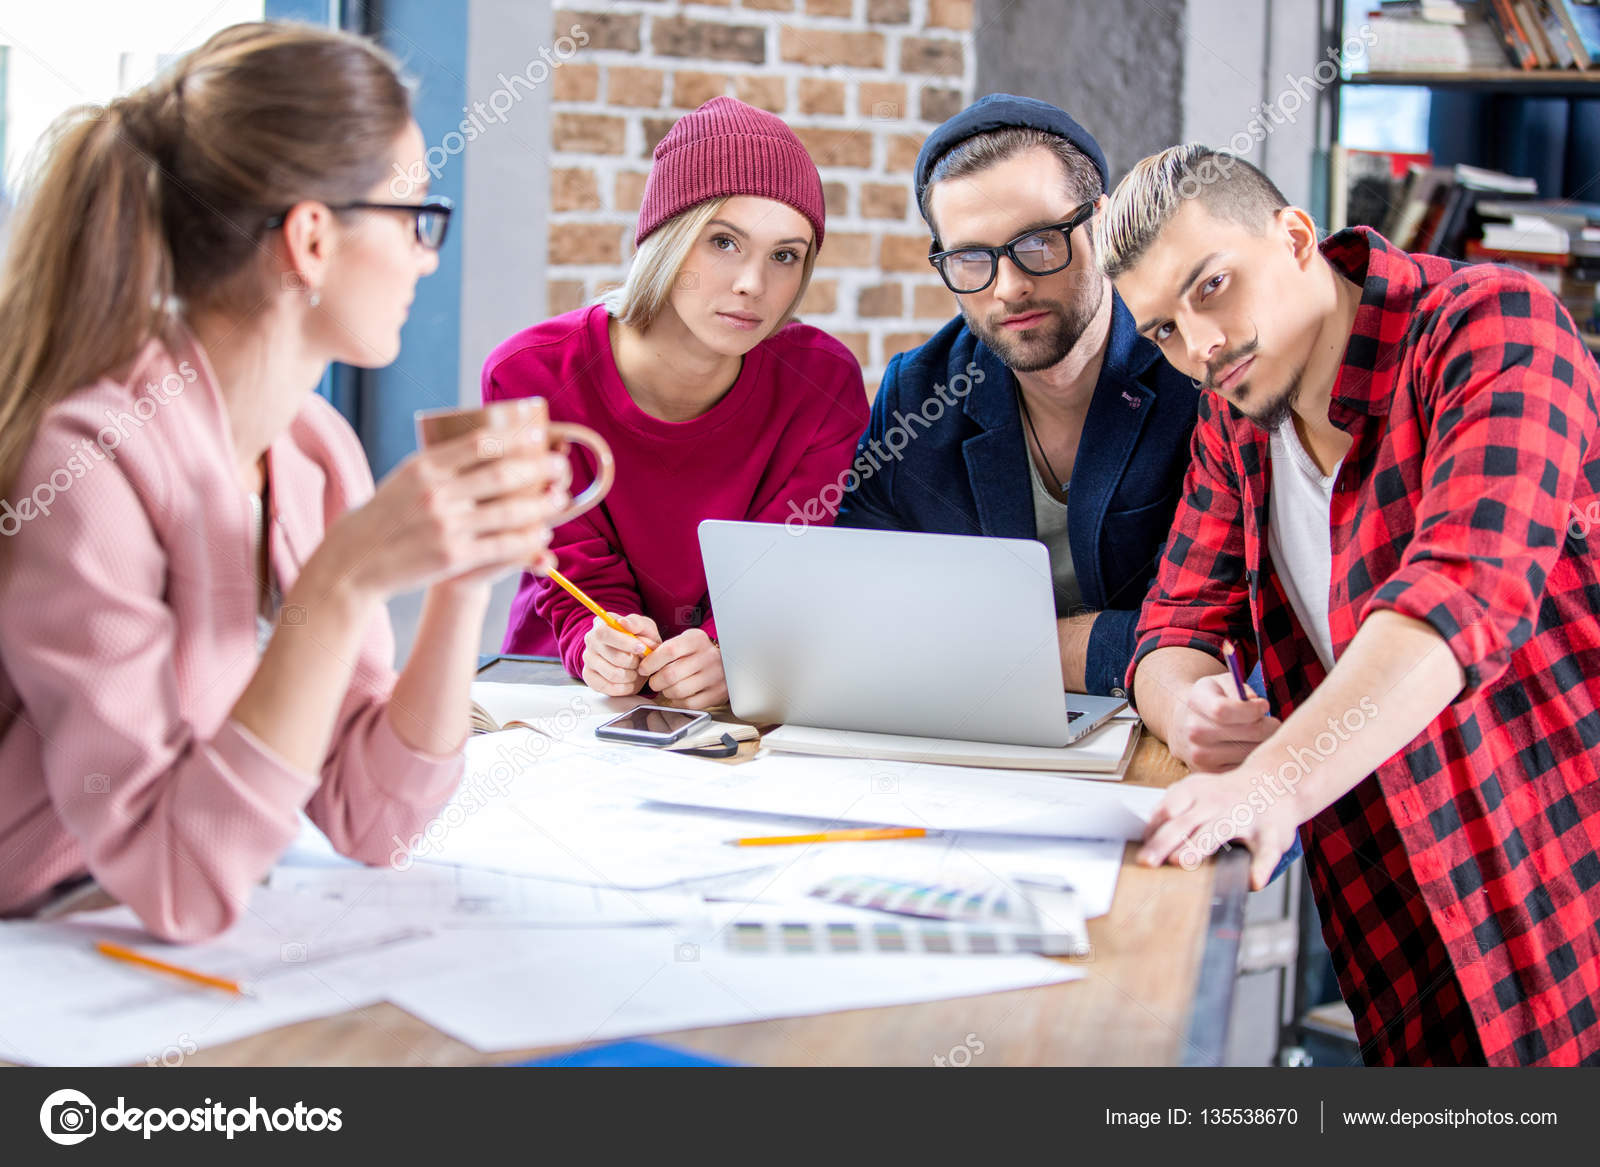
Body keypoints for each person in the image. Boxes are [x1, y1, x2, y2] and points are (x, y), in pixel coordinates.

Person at [0, 24, 568, 942]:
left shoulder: (313, 452)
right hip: (34, 949)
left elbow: (377, 819)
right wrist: (341, 585)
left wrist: (465, 577)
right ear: (310, 238)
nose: (428, 256)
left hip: (125, 932)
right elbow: (180, 882)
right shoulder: (89, 466)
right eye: (417, 215)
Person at [1099, 144, 1600, 1065]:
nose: (1200, 347)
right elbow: (1172, 623)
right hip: (1395, 902)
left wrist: (1270, 781)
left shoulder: (1493, 326)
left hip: (1558, 881)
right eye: (1164, 330)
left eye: (1211, 287)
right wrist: (1188, 701)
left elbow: (1460, 595)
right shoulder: (1237, 415)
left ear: (1295, 238)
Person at [484, 97, 868, 710]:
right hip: (558, 690)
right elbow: (571, 567)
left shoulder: (820, 383)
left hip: (735, 693)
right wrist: (598, 639)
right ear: (666, 239)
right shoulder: (530, 373)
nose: (752, 284)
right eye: (723, 242)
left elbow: (782, 569)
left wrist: (733, 651)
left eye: (785, 256)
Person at [836, 95, 1200, 696]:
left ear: (1103, 225)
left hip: (1166, 731)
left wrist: (998, 645)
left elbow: (1224, 625)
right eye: (971, 258)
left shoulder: (1191, 368)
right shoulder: (919, 397)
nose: (1009, 287)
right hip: (973, 728)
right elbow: (856, 604)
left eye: (1038, 242)